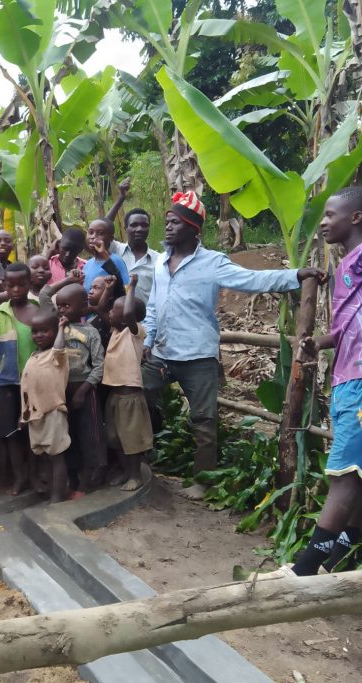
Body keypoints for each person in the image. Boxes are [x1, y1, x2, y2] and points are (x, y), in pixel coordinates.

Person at [142, 191, 325, 499]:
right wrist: (147, 338)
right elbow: (152, 306)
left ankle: (204, 480)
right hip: (161, 352)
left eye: (175, 222)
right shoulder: (161, 262)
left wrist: (296, 275)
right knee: (136, 396)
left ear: (193, 228)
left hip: (197, 355)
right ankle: (141, 460)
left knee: (203, 420)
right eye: (168, 221)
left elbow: (253, 280)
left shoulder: (213, 263)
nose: (168, 227)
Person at [281, 187, 362, 578]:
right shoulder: (349, 263)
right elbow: (347, 326)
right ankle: (338, 552)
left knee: (345, 472)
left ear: (355, 217)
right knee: (356, 471)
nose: (322, 222)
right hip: (348, 376)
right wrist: (318, 341)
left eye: (330, 214)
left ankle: (304, 568)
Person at [0, 262, 38, 494]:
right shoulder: (0, 312)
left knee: (34, 431)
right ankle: (19, 477)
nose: (15, 289)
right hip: (9, 382)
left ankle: (34, 475)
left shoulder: (39, 308)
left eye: (21, 284)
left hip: (34, 382)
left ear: (29, 284)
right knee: (12, 434)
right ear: (4, 285)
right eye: (10, 285)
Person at [46, 284, 107, 497]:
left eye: (67, 306)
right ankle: (72, 481)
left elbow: (99, 365)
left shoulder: (90, 332)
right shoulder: (54, 329)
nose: (62, 310)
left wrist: (84, 389)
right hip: (61, 393)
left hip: (85, 391)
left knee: (89, 437)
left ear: (82, 308)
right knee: (68, 438)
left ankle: (85, 484)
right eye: (59, 306)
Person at [103, 275, 152, 492]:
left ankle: (135, 475)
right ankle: (125, 471)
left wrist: (131, 287)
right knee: (115, 439)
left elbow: (129, 313)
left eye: (115, 310)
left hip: (130, 396)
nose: (110, 313)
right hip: (115, 395)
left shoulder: (135, 333)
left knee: (132, 440)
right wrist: (108, 289)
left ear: (125, 317)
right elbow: (100, 308)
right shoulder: (116, 331)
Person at [20, 311, 70, 503]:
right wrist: (23, 416)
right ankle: (51, 493)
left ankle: (57, 497)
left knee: (57, 456)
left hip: (53, 412)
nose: (38, 335)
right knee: (45, 457)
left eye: (44, 331)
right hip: (35, 416)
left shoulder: (56, 356)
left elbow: (59, 349)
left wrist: (61, 328)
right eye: (35, 331)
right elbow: (26, 389)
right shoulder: (34, 356)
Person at [110, 209, 160, 305]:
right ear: (125, 229)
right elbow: (103, 228)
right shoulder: (115, 250)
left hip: (146, 317)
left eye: (144, 225)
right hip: (115, 316)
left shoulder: (159, 259)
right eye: (134, 225)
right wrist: (120, 199)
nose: (140, 229)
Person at [83, 219, 130, 291]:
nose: (93, 236)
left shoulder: (116, 260)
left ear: (111, 239)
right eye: (91, 232)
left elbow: (127, 289)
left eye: (100, 233)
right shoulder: (88, 264)